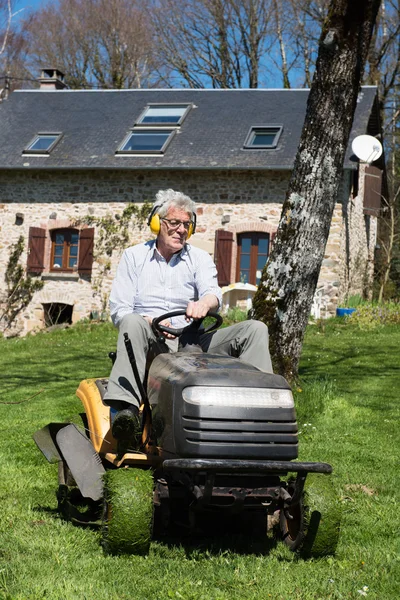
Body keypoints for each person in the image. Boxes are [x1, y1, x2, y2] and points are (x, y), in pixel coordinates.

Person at [104, 189, 273, 449]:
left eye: (186, 224)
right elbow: (120, 309)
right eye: (174, 223)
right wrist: (150, 322)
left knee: (255, 329)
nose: (181, 230)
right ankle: (125, 412)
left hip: (192, 342)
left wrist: (203, 304)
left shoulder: (199, 258)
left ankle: (262, 413)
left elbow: (213, 293)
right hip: (151, 343)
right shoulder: (134, 257)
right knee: (131, 321)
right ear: (157, 223)